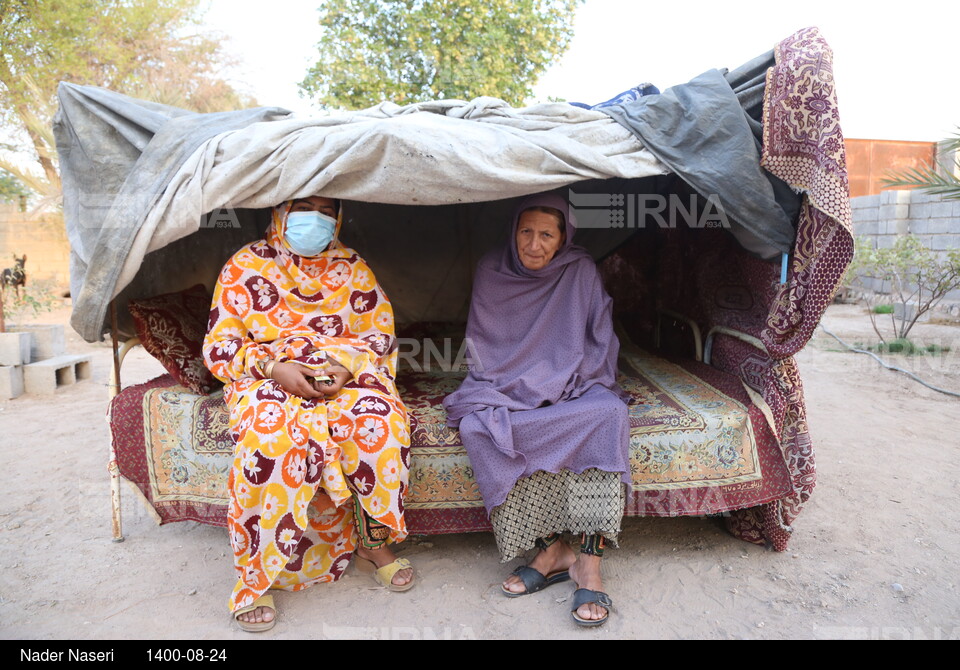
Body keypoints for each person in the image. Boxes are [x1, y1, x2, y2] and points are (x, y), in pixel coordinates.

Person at [203, 196, 414, 633]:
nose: (314, 218)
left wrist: (345, 367)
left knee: (379, 424)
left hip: (341, 376)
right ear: (280, 210)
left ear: (337, 218)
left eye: (326, 209)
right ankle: (256, 576)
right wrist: (272, 368)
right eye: (304, 205)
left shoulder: (353, 267)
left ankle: (372, 545)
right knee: (272, 440)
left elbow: (379, 336)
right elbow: (219, 346)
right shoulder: (245, 265)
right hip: (268, 378)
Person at [443, 192, 630, 627]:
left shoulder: (579, 270)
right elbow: (485, 347)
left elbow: (597, 339)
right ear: (513, 232)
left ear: (563, 237)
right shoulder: (492, 269)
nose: (534, 244)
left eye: (547, 234)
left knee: (608, 415)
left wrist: (565, 379)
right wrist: (524, 385)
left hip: (571, 383)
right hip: (508, 384)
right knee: (476, 427)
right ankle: (549, 549)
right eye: (526, 231)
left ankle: (588, 560)